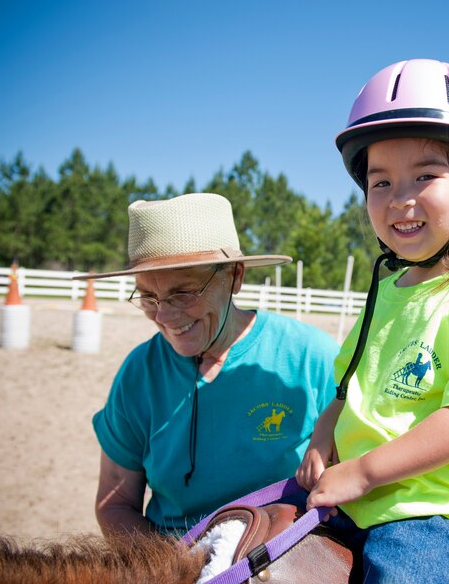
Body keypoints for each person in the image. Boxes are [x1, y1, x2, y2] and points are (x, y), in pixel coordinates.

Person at [295, 59, 449, 582]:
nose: (401, 199)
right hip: (350, 492)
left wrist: (363, 472)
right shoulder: (386, 288)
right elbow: (348, 384)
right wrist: (322, 437)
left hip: (425, 515)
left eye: (425, 175)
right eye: (381, 182)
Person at [76, 193, 338, 541]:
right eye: (148, 298)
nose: (164, 316)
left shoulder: (312, 358)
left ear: (235, 276)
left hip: (280, 556)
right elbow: (115, 503)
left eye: (183, 293)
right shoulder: (139, 373)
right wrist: (173, 569)